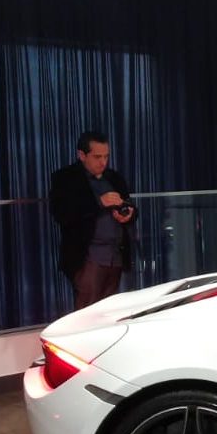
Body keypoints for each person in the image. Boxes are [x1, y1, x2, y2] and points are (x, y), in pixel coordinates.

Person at [49, 131, 137, 310]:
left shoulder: (114, 177)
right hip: (88, 257)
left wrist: (128, 214)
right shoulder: (65, 178)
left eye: (106, 156)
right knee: (87, 311)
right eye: (97, 157)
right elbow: (61, 213)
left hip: (116, 255)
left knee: (110, 311)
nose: (103, 162)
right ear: (82, 155)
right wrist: (99, 202)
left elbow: (130, 206)